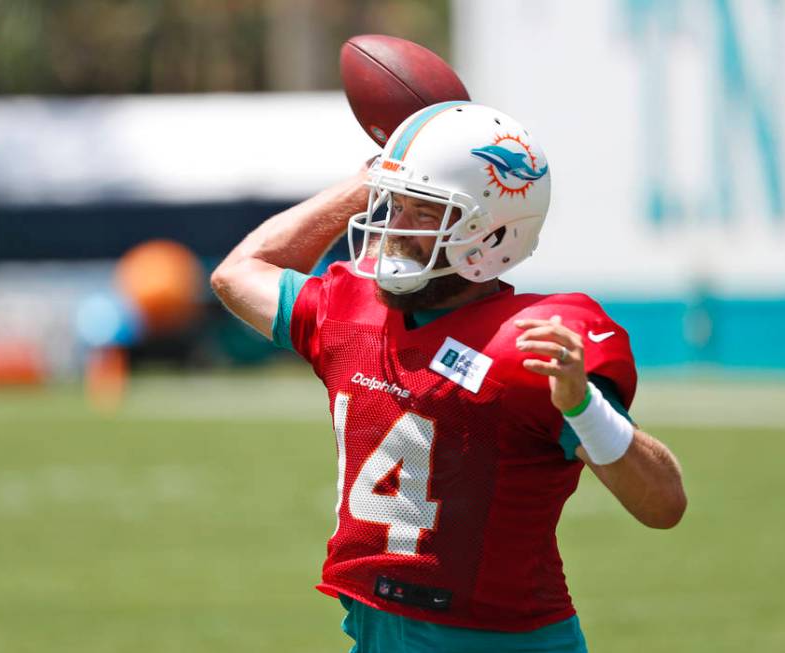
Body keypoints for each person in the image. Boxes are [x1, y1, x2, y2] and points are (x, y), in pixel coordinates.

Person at [212, 102, 687, 652]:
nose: (392, 227)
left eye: (423, 211)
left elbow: (663, 505)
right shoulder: (353, 313)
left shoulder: (528, 344)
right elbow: (237, 274)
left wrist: (583, 407)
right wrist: (361, 185)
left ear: (491, 234)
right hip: (377, 633)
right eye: (392, 204)